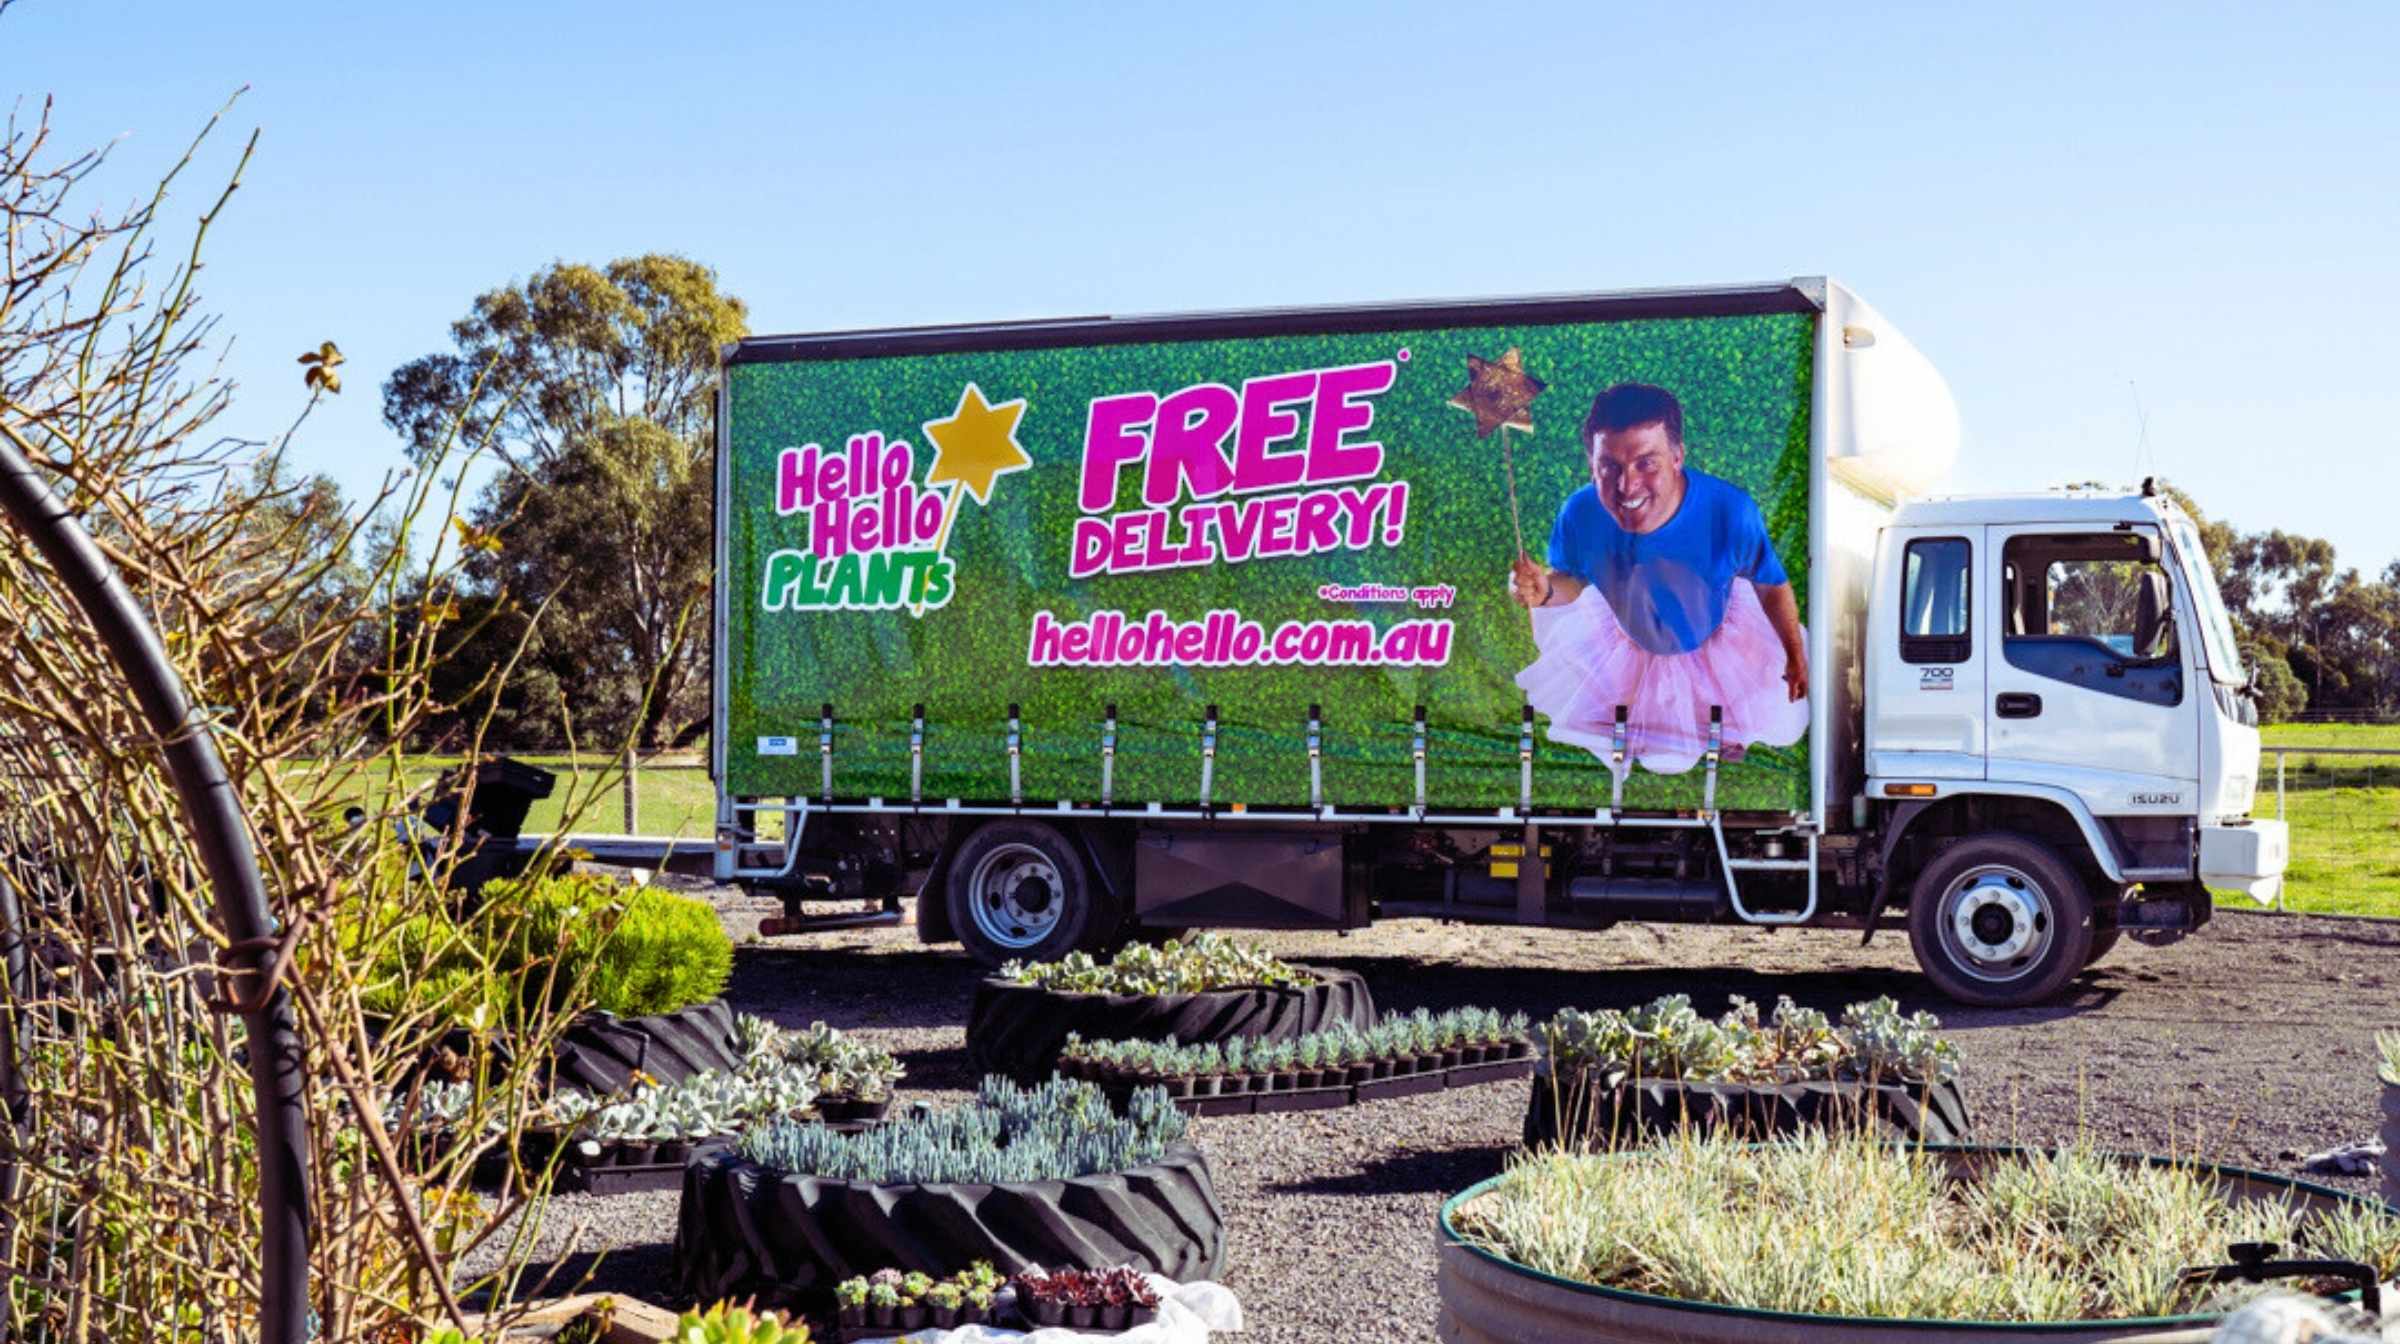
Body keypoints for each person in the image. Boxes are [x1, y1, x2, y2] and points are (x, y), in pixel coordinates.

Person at [1507, 382, 1809, 776]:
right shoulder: (1579, 512)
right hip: (1628, 636)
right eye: (1609, 466)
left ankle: (1723, 736)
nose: (1626, 485)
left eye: (1646, 463)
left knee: (1744, 718)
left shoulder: (1729, 509)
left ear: (1678, 457)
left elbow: (1770, 584)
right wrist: (1543, 590)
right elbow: (1572, 581)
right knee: (1649, 742)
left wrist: (1794, 653)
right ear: (1590, 464)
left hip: (1715, 635)